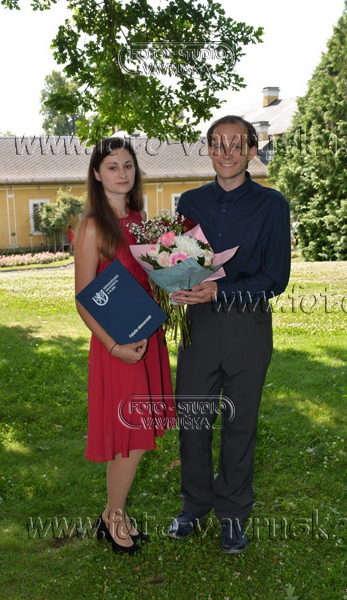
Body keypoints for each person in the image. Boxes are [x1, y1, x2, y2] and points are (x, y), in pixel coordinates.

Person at [168, 116, 291, 553]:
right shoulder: (190, 202)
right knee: (193, 422)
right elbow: (180, 261)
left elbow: (276, 278)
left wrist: (222, 291)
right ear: (208, 149)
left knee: (240, 426)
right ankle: (194, 506)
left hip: (248, 327)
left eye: (237, 145)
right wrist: (174, 283)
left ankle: (234, 516)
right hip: (199, 327)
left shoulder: (272, 205)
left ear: (252, 151)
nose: (227, 153)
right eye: (218, 144)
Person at [74, 137, 175, 555]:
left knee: (138, 431)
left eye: (128, 165)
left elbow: (152, 278)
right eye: (112, 166)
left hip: (148, 337)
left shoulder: (141, 220)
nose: (122, 173)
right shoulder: (92, 226)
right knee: (131, 436)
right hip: (116, 344)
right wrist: (114, 346)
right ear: (97, 174)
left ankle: (111, 515)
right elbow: (84, 299)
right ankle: (114, 518)